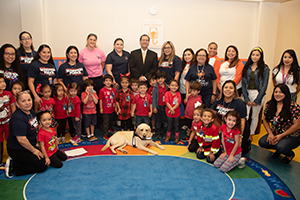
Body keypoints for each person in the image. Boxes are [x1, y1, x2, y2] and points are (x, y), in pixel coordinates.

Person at [6, 90, 47, 178]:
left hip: (29, 146)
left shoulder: (31, 112)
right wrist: (34, 151)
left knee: (46, 156)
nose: (27, 103)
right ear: (17, 103)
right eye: (23, 101)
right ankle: (15, 166)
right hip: (18, 149)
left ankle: (20, 162)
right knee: (42, 165)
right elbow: (21, 140)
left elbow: (37, 127)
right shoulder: (18, 118)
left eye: (29, 100)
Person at [259, 84, 300, 164]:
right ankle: (278, 149)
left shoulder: (293, 107)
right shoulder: (269, 104)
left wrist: (281, 136)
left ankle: (289, 155)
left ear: (286, 94)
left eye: (281, 92)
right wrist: (270, 134)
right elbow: (265, 120)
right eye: (276, 92)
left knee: (281, 146)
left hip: (291, 135)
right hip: (275, 133)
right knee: (262, 142)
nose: (278, 94)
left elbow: (297, 125)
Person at [213, 80, 251, 154]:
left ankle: (247, 143)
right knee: (221, 150)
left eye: (231, 88)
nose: (228, 89)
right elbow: (213, 115)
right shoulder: (218, 101)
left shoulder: (240, 103)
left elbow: (242, 120)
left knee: (239, 151)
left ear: (234, 90)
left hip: (238, 130)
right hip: (226, 130)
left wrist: (240, 135)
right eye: (226, 87)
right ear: (222, 89)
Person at [242, 47, 270, 140]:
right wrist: (246, 99)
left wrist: (258, 99)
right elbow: (243, 83)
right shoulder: (246, 67)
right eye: (253, 54)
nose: (255, 57)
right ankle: (244, 133)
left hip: (258, 93)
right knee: (245, 115)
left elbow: (264, 85)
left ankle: (251, 133)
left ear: (261, 56)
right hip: (247, 93)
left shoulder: (265, 68)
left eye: (257, 55)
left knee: (254, 116)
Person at [27, 44, 57, 108]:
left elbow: (55, 81)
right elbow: (30, 82)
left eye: (48, 52)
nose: (46, 54)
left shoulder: (52, 65)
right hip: (39, 96)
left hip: (50, 97)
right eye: (44, 52)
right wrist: (35, 96)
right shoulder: (34, 65)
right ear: (39, 53)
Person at [0, 74, 16, 165]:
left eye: (3, 81)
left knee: (9, 139)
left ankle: (11, 156)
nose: (2, 83)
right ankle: (0, 157)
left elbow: (12, 106)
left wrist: (14, 118)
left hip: (8, 122)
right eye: (0, 82)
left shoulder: (8, 94)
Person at [99, 74, 117, 139]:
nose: (108, 82)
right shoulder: (102, 90)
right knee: (105, 122)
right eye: (106, 81)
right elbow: (100, 100)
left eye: (110, 81)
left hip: (112, 108)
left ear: (112, 82)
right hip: (105, 109)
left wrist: (115, 107)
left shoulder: (113, 90)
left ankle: (110, 128)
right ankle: (105, 133)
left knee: (111, 120)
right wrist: (101, 108)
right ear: (104, 82)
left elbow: (115, 99)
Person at [152, 70, 168, 139]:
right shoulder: (155, 88)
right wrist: (154, 107)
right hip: (158, 106)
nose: (160, 80)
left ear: (164, 79)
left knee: (165, 121)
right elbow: (154, 98)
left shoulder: (167, 87)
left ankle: (164, 133)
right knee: (158, 121)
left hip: (165, 107)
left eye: (162, 78)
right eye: (158, 78)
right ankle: (158, 133)